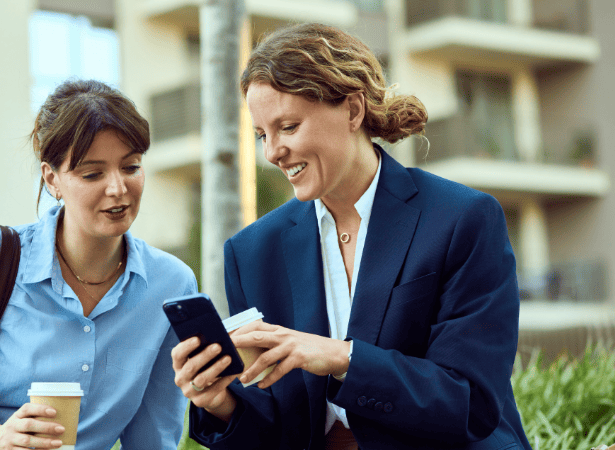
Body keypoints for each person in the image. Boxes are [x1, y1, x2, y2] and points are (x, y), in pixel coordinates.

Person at [171, 23, 532, 450]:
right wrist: (221, 405)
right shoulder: (252, 253)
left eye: (288, 127)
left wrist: (341, 358)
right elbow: (275, 432)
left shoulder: (462, 219)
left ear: (353, 110)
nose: (272, 153)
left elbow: (470, 401)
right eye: (262, 135)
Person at [0, 79, 197, 450]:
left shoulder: (172, 285)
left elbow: (153, 434)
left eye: (131, 167)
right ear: (51, 178)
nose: (118, 188)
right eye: (92, 174)